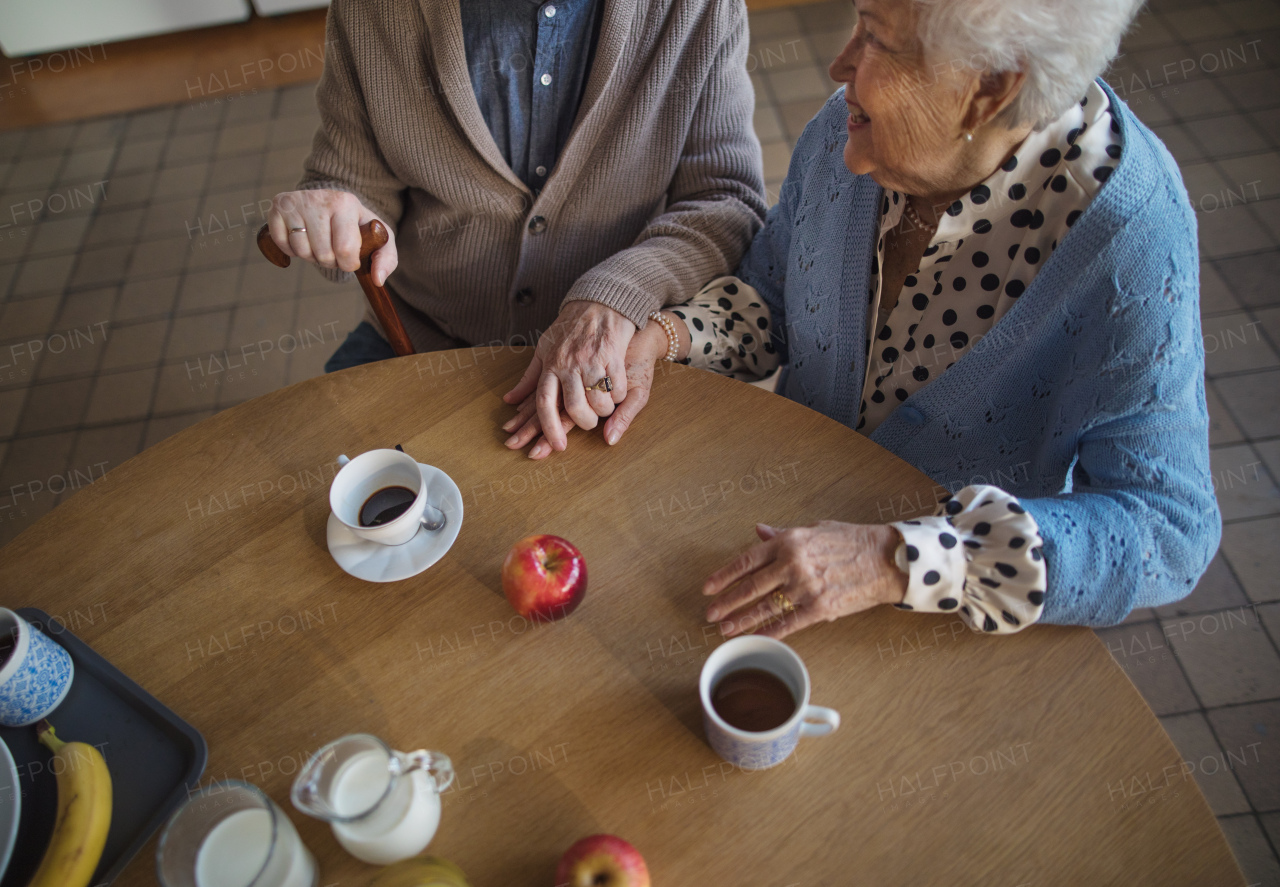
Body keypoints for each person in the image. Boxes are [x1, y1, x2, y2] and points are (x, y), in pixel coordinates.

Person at [510, 0, 1219, 635]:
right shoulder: (848, 134)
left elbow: (1167, 528)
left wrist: (896, 559)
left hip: (941, 628)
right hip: (784, 541)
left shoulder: (1130, 240)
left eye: (876, 39)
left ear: (990, 88)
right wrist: (664, 337)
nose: (839, 63)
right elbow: (776, 299)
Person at [265, 0, 766, 449]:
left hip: (604, 351)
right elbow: (353, 181)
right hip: (420, 339)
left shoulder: (699, 8)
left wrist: (617, 293)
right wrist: (338, 216)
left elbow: (725, 200)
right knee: (306, 484)